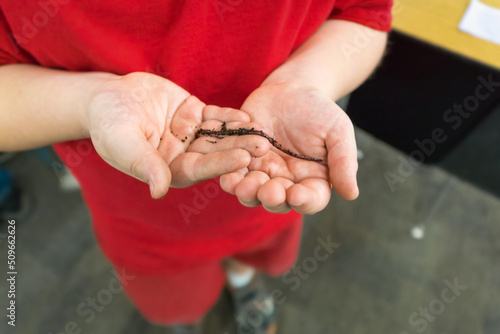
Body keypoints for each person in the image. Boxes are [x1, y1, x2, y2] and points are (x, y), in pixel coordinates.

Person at [0, 1, 393, 333]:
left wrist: (307, 79)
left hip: (269, 189)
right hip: (140, 219)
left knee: (256, 255)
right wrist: (90, 101)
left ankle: (242, 281)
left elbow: (365, 12)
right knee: (177, 306)